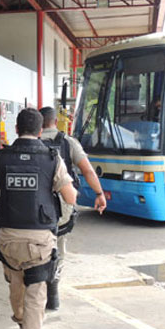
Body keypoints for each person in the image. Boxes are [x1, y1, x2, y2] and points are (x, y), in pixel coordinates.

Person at [0, 108, 77, 329]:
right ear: (39, 130)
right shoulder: (51, 158)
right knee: (36, 293)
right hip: (40, 239)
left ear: (16, 129)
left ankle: (24, 328)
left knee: (16, 286)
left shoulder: (0, 157)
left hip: (7, 238)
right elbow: (70, 197)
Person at [39, 107, 106, 310]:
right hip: (63, 205)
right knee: (58, 245)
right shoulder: (68, 142)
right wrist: (99, 194)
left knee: (36, 245)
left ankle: (37, 288)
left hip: (36, 204)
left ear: (39, 123)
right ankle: (53, 289)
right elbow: (87, 170)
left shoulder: (32, 141)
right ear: (55, 122)